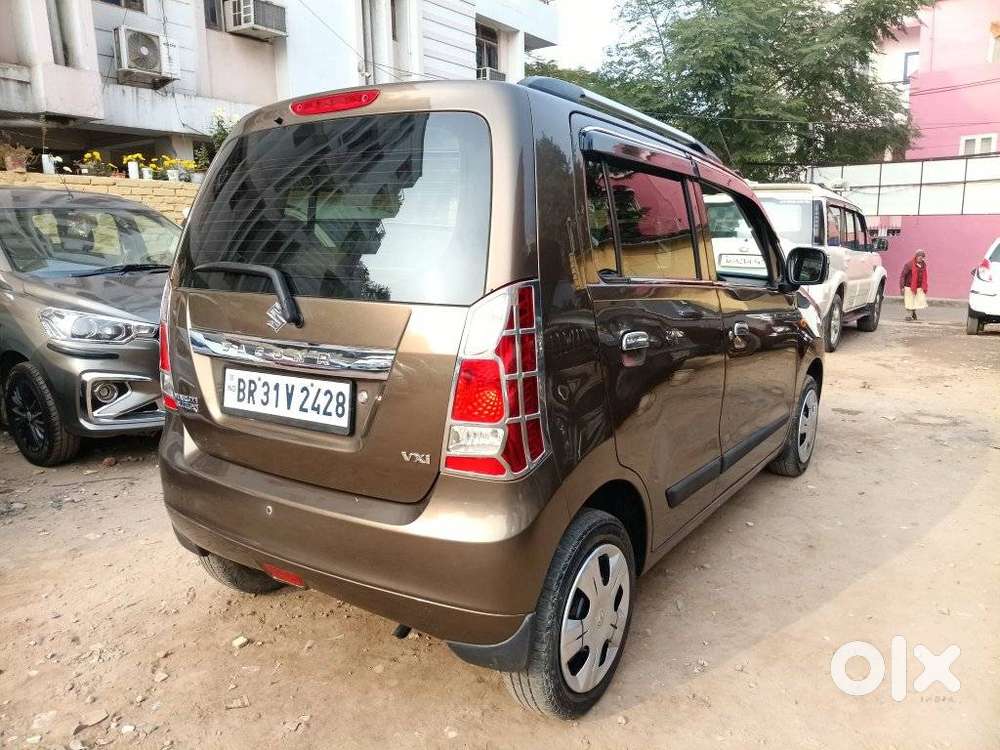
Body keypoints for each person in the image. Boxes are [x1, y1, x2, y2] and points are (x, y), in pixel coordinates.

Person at [899, 249, 929, 321]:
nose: (920, 257)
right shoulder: (909, 265)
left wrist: (923, 286)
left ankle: (913, 312)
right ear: (916, 256)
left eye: (922, 256)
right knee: (909, 301)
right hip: (909, 286)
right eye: (919, 256)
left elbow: (923, 276)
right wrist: (902, 287)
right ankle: (909, 315)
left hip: (918, 287)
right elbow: (903, 276)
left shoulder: (923, 265)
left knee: (916, 301)